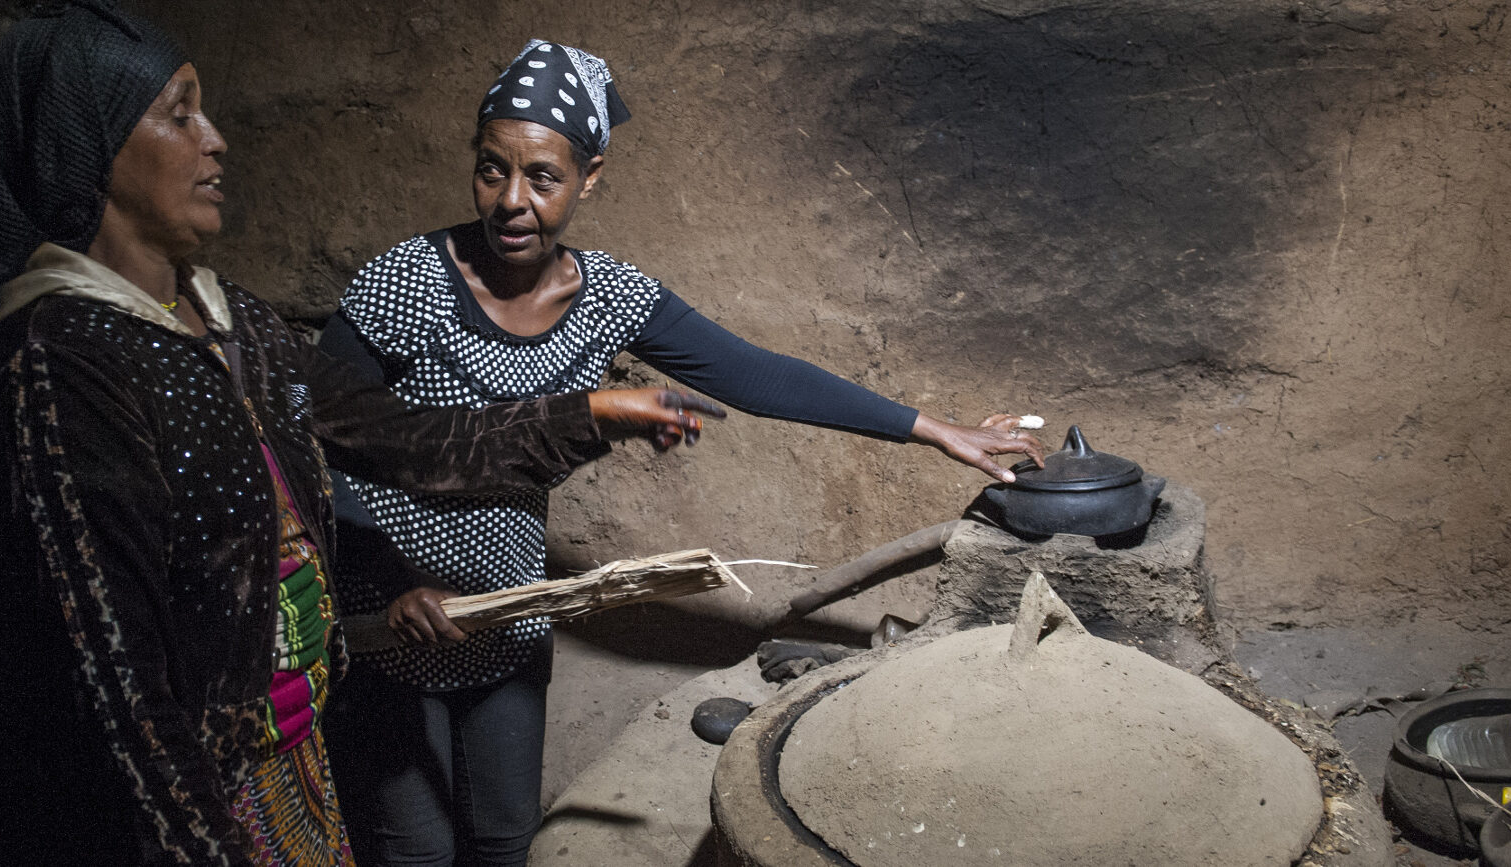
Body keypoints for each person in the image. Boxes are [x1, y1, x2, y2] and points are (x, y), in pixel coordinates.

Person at [0, 7, 720, 865]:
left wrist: (589, 415)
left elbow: (407, 438)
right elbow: (116, 688)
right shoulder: (61, 364)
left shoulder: (229, 321)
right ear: (85, 142)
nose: (217, 140)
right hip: (175, 817)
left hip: (283, 762)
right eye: (180, 113)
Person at [316, 39, 1047, 866]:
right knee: (409, 844)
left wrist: (934, 429)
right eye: (491, 170)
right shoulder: (407, 281)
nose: (511, 201)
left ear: (591, 176)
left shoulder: (610, 298)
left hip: (512, 609)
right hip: (393, 611)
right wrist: (386, 576)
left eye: (544, 178)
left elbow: (756, 374)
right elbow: (326, 440)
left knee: (501, 837)